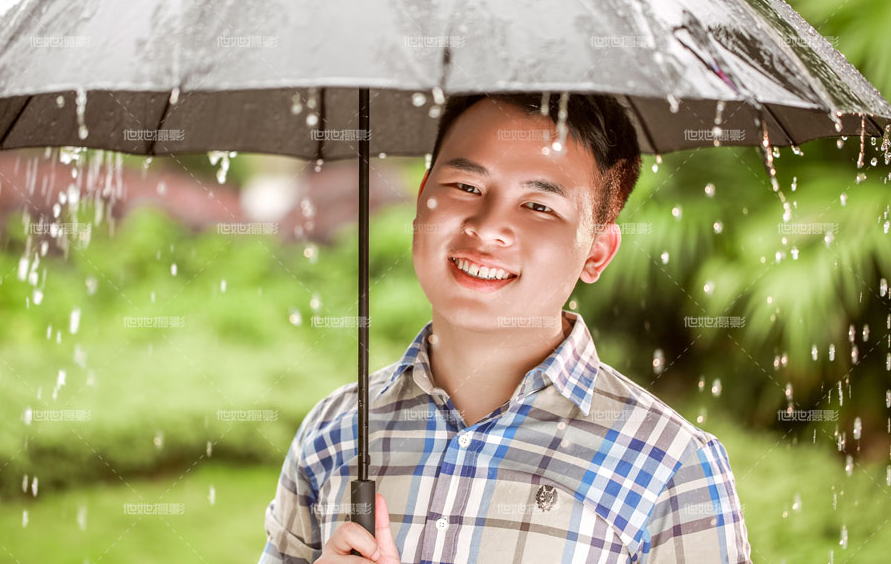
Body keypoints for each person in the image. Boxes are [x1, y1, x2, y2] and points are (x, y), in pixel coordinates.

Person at [259, 93, 752, 563]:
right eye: (466, 187)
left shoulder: (673, 467)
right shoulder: (333, 433)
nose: (487, 226)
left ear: (597, 251)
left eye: (539, 205)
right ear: (422, 195)